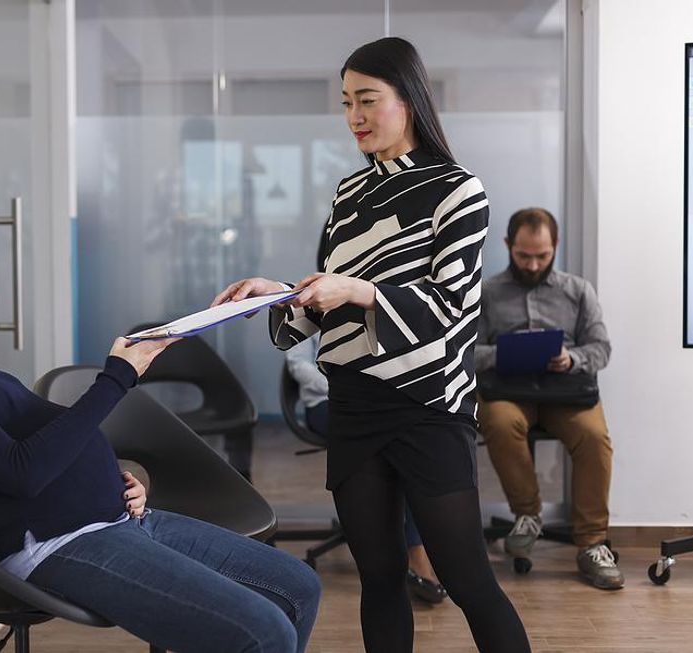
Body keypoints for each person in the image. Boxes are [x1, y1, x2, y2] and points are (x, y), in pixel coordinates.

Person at [0, 208, 321, 653]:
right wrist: (116, 378)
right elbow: (20, 473)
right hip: (57, 543)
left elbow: (30, 446)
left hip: (114, 519)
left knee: (297, 586)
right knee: (265, 630)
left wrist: (111, 478)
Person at [214, 37, 529, 653]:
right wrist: (275, 294)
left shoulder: (460, 191)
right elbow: (325, 302)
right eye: (345, 102)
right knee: (379, 578)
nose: (354, 115)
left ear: (408, 100)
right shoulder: (348, 196)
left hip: (428, 405)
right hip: (355, 405)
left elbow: (447, 306)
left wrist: (357, 289)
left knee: (467, 579)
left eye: (367, 100)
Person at [475, 207, 623, 590]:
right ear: (509, 246)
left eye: (542, 255)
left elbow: (602, 349)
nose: (533, 263)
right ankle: (528, 515)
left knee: (595, 438)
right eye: (524, 255)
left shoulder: (578, 291)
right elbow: (467, 353)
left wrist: (569, 357)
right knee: (498, 421)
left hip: (565, 391)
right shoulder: (488, 293)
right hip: (509, 390)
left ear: (554, 246)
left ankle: (592, 543)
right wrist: (506, 353)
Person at [287, 331, 447, 605]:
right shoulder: (313, 299)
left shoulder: (376, 301)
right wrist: (344, 386)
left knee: (405, 447)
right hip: (328, 403)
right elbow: (298, 364)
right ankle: (412, 555)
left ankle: (409, 550)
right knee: (394, 444)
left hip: (380, 404)